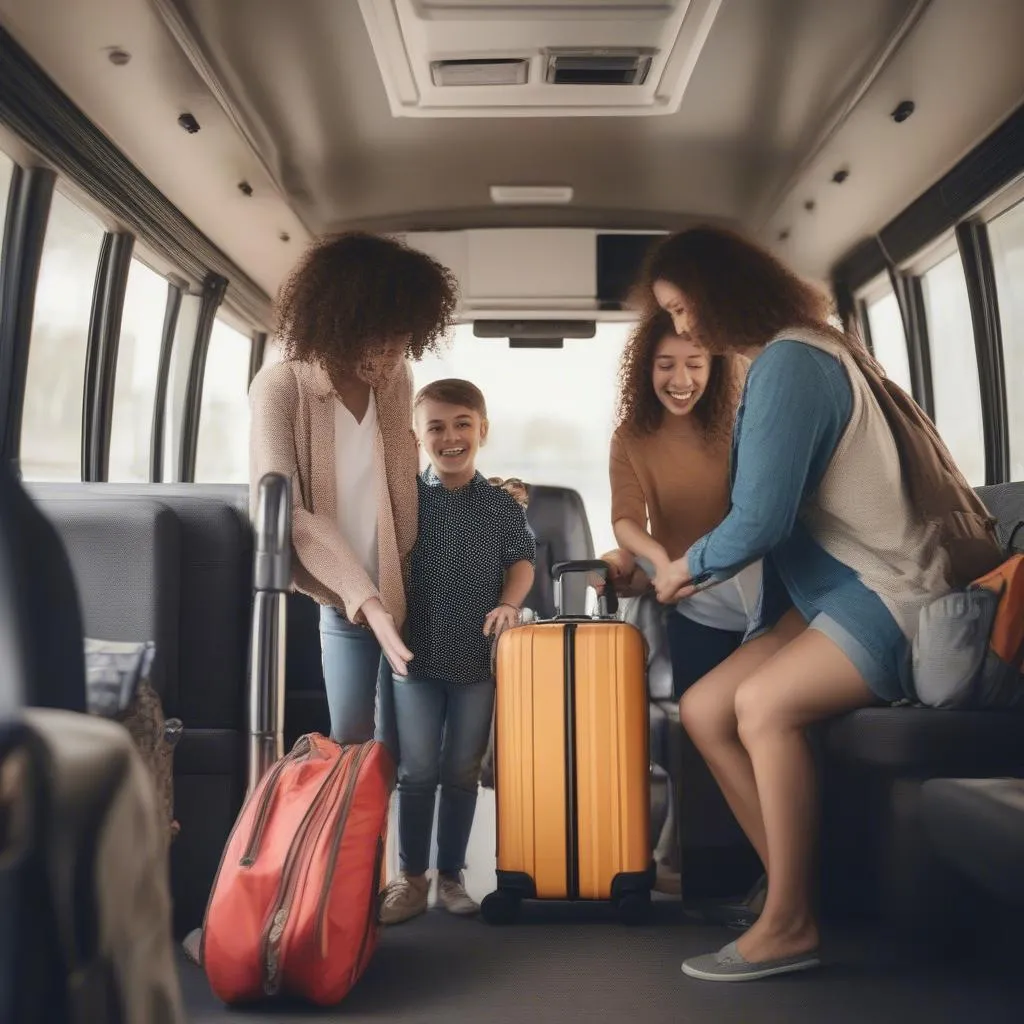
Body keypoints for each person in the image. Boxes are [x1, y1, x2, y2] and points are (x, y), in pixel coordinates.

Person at [641, 226, 962, 982]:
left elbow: (761, 520)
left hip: (891, 591)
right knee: (704, 708)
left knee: (760, 706)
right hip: (835, 592)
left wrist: (684, 569)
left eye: (685, 310)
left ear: (722, 293)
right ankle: (797, 892)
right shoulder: (798, 350)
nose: (683, 328)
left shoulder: (791, 362)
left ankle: (787, 922)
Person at [248, 231, 457, 751]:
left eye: (401, 335)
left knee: (409, 752)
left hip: (410, 587)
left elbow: (401, 489)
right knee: (352, 745)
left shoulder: (395, 379)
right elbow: (286, 513)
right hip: (343, 599)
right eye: (377, 334)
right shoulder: (281, 389)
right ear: (338, 320)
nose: (391, 351)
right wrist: (367, 601)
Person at [379, 379, 536, 924]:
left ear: (482, 431)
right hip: (415, 660)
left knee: (462, 771)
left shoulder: (500, 506)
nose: (450, 437)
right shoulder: (406, 501)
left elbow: (521, 562)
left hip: (475, 661)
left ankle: (452, 875)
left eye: (462, 424)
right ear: (417, 437)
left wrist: (510, 605)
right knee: (417, 771)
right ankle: (410, 877)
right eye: (437, 427)